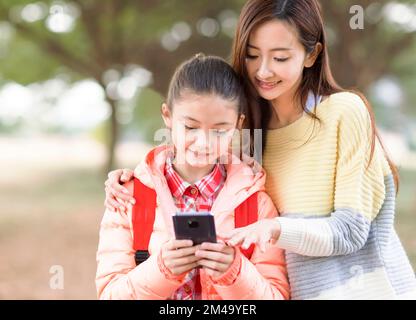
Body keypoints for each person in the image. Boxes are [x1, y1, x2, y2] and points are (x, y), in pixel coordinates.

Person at [104, 0, 416, 299]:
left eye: (280, 57)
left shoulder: (344, 112)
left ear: (312, 55)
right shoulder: (251, 138)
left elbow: (350, 232)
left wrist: (273, 228)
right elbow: (193, 155)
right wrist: (132, 180)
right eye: (253, 55)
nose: (263, 71)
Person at [96, 54, 290, 300]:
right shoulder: (127, 197)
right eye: (190, 127)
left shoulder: (257, 206)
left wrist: (235, 273)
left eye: (220, 131)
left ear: (238, 124)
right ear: (167, 116)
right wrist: (160, 270)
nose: (204, 142)